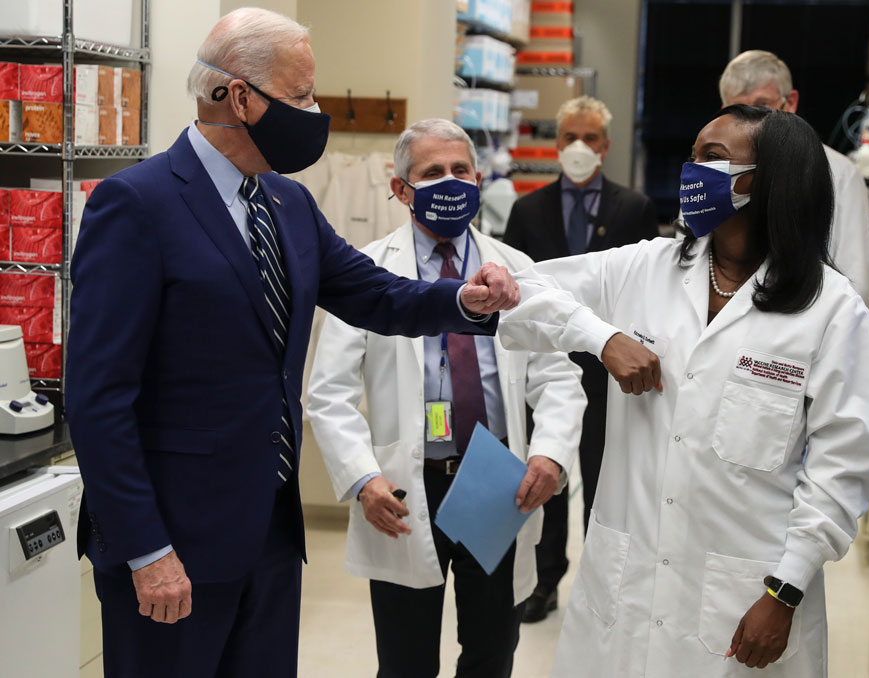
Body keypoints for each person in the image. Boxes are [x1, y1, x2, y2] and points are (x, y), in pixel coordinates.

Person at [64, 10, 519, 678]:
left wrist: (464, 299)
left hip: (269, 537)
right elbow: (98, 398)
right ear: (240, 97)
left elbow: (374, 293)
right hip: (174, 546)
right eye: (301, 95)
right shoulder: (137, 204)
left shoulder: (285, 202)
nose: (314, 110)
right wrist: (146, 550)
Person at [497, 105, 869, 677]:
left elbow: (847, 465)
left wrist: (784, 591)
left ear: (770, 180)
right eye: (692, 156)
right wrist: (600, 336)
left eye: (713, 159)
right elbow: (517, 287)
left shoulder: (831, 311)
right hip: (625, 587)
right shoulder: (645, 268)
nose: (691, 172)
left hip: (745, 599)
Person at [306, 118, 586, 678]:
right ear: (400, 189)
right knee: (405, 659)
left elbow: (557, 376)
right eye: (432, 172)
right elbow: (327, 392)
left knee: (490, 651)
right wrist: (362, 478)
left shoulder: (516, 270)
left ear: (479, 180)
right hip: (405, 488)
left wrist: (551, 453)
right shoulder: (368, 272)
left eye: (461, 170)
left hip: (495, 479)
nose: (450, 182)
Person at [503, 95, 658, 622]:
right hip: (544, 370)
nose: (578, 147)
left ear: (606, 147)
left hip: (607, 373)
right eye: (569, 136)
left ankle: (600, 584)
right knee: (546, 469)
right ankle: (544, 581)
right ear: (555, 144)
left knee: (603, 475)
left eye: (589, 138)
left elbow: (647, 292)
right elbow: (515, 294)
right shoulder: (528, 210)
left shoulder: (632, 208)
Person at [719, 49, 869, 305]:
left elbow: (857, 281)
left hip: (804, 326)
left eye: (762, 106)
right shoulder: (712, 169)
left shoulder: (839, 172)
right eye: (739, 110)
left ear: (789, 102)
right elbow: (689, 257)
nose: (751, 122)